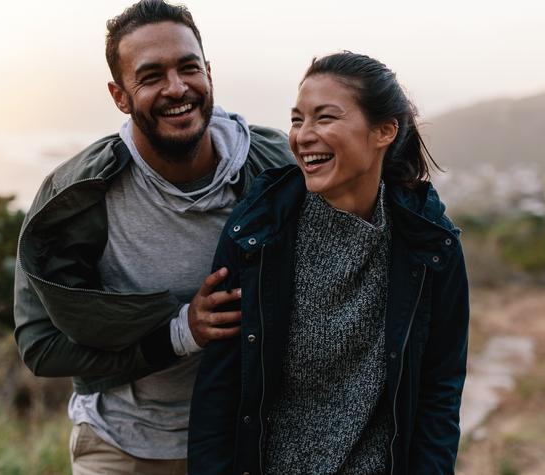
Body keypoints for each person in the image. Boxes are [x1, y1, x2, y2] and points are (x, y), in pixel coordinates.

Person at [12, 1, 292, 473]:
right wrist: (181, 333)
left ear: (209, 72)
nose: (177, 88)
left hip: (246, 442)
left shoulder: (272, 166)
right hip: (121, 445)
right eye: (151, 76)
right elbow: (40, 345)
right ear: (119, 96)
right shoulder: (74, 197)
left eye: (188, 68)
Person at [188, 52, 469, 474]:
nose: (303, 136)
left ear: (384, 131)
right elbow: (220, 390)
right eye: (297, 119)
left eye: (325, 118)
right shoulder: (257, 233)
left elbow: (438, 392)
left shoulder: (430, 245)